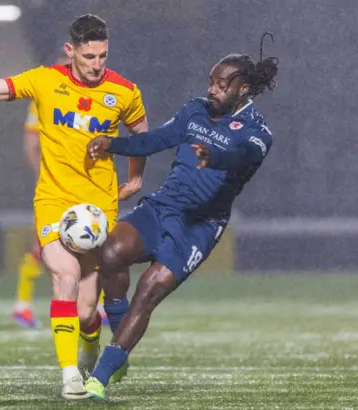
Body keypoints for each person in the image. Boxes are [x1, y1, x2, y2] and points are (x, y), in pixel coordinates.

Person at [0, 14, 148, 399]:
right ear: (71, 52)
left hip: (99, 209)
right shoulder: (44, 80)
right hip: (54, 202)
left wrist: (136, 177)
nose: (96, 64)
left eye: (102, 55)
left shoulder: (123, 91)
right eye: (88, 56)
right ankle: (70, 375)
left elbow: (141, 133)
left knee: (89, 311)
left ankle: (88, 351)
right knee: (64, 276)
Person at [83, 49, 279, 399]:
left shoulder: (258, 132)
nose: (213, 90)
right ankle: (119, 336)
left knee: (148, 290)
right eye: (211, 82)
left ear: (242, 89)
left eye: (221, 85)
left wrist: (214, 155)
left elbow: (240, 157)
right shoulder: (194, 111)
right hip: (164, 206)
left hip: (199, 226)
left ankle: (99, 378)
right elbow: (156, 140)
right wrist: (113, 144)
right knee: (110, 251)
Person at [12, 56, 110, 329]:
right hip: (55, 185)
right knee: (44, 244)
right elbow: (31, 142)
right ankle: (22, 305)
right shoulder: (46, 95)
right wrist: (42, 177)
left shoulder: (99, 95)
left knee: (93, 240)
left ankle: (96, 304)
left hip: (87, 183)